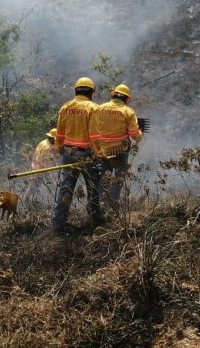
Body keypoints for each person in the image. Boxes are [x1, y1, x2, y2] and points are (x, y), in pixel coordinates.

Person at [52, 77, 101, 234]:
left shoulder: (66, 107)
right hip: (87, 153)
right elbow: (94, 135)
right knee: (93, 189)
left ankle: (58, 227)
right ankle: (96, 222)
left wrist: (60, 148)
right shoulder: (93, 108)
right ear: (91, 93)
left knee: (65, 189)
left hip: (68, 153)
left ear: (75, 91)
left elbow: (59, 133)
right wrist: (98, 152)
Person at [89, 84, 143, 208]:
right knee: (119, 178)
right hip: (120, 151)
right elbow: (134, 134)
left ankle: (102, 205)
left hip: (103, 151)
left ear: (113, 95)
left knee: (104, 177)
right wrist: (140, 136)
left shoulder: (100, 108)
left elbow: (93, 129)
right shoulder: (128, 111)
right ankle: (114, 205)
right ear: (127, 99)